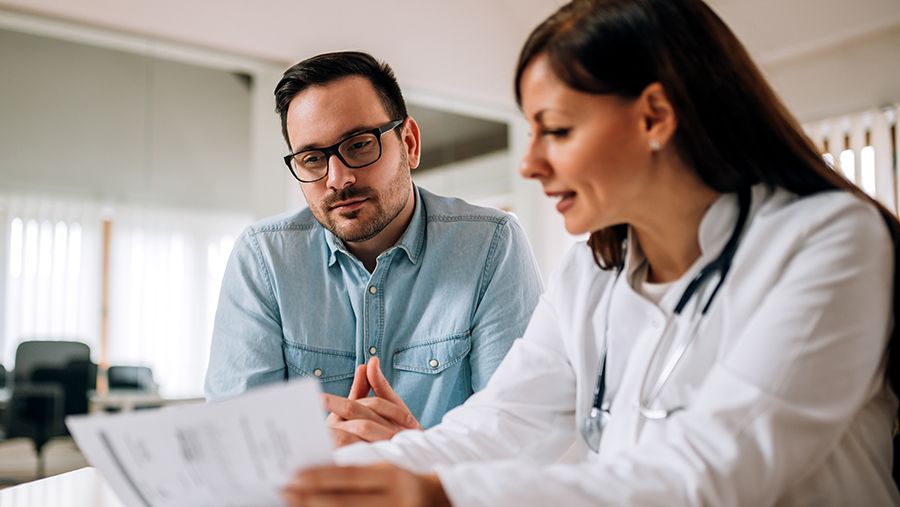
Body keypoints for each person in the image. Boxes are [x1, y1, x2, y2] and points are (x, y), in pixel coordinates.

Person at [280, 1, 900, 505]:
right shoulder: (595, 270)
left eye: (557, 130)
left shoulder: (828, 240)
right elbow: (502, 423)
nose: (531, 162)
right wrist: (347, 472)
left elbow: (708, 474)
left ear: (654, 116)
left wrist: (436, 493)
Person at [205, 51, 543, 442]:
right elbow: (234, 441)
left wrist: (412, 459)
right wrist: (324, 455)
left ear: (410, 143)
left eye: (360, 145)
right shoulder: (264, 258)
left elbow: (517, 437)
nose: (338, 178)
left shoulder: (492, 245)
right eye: (313, 158)